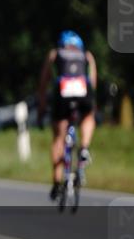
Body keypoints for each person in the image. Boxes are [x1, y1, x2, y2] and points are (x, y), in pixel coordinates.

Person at [36, 30, 97, 200]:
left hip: (61, 94)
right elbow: (92, 84)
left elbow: (43, 85)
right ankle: (84, 147)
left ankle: (56, 182)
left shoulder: (54, 54)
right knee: (88, 117)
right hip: (83, 93)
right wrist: (91, 106)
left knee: (58, 138)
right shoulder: (87, 55)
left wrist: (41, 110)